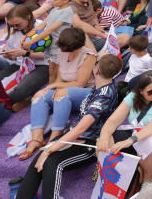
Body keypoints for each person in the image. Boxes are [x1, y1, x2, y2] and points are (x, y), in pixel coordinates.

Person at [15, 54, 122, 199]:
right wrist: (48, 149)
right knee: (41, 155)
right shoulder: (102, 85)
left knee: (51, 161)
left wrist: (50, 149)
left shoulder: (104, 95)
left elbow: (81, 129)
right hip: (77, 137)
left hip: (89, 143)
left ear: (96, 70)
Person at [19, 27, 98, 159]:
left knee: (62, 94)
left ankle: (55, 138)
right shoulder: (62, 52)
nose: (63, 51)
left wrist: (56, 86)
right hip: (65, 89)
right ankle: (37, 139)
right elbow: (61, 78)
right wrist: (52, 88)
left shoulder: (88, 56)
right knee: (39, 96)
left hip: (87, 93)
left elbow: (79, 84)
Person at [97, 70, 152, 186]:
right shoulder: (133, 96)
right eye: (150, 92)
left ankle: (148, 178)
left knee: (148, 140)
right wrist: (104, 137)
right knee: (103, 141)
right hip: (135, 132)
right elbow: (112, 121)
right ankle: (116, 175)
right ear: (140, 92)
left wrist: (130, 140)